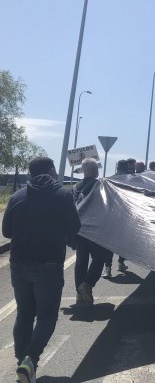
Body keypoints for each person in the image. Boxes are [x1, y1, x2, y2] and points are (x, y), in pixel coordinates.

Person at [2, 157, 81, 382]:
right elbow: (75, 226)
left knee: (24, 313)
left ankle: (22, 363)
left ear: (30, 173)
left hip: (19, 264)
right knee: (47, 315)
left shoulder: (17, 196)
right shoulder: (64, 195)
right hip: (49, 264)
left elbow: (6, 231)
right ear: (52, 171)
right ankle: (30, 360)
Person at [72, 158, 110, 306]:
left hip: (78, 229)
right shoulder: (100, 185)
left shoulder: (75, 187)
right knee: (99, 258)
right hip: (95, 229)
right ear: (95, 170)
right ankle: (87, 285)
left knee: (81, 260)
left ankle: (79, 293)